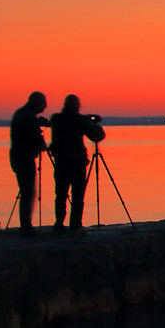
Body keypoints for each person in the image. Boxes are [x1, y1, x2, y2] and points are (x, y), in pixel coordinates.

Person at [46, 94, 104, 231]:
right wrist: (95, 125)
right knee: (78, 195)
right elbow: (96, 136)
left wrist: (85, 119)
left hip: (61, 162)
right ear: (78, 106)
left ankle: (59, 223)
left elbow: (66, 121)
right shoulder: (80, 120)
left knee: (60, 195)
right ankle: (75, 225)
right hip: (77, 163)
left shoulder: (56, 118)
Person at [8, 91, 49, 235]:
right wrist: (44, 146)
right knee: (28, 192)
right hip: (24, 158)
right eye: (43, 103)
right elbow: (34, 138)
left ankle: (26, 224)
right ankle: (26, 226)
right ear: (36, 102)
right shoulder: (28, 116)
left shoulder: (22, 114)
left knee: (26, 191)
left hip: (19, 157)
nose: (45, 107)